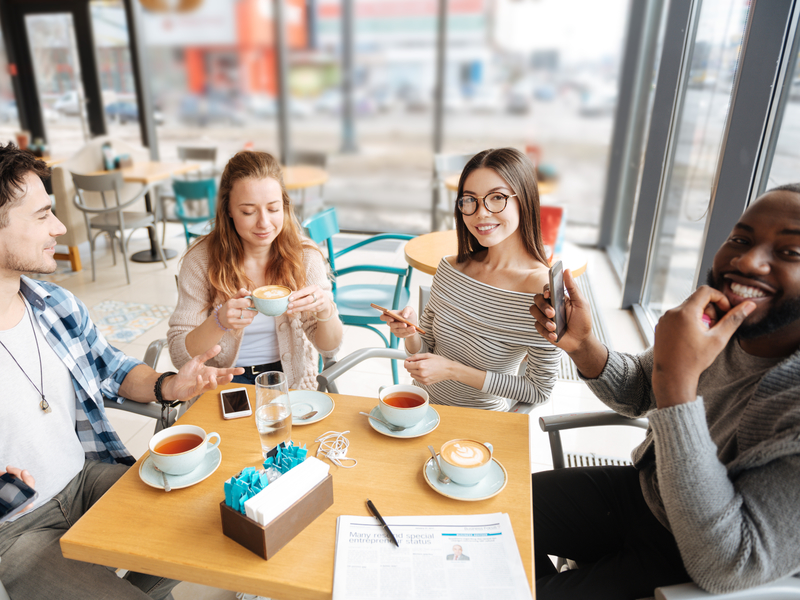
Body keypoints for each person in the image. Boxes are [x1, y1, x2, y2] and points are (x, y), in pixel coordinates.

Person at [529, 184, 800, 599]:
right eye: (740, 239)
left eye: (790, 252)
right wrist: (583, 346)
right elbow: (639, 390)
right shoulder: (715, 323)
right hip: (645, 493)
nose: (746, 260)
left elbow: (729, 563)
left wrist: (677, 386)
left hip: (692, 554)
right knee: (490, 514)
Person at [0, 143, 243, 599]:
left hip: (85, 479)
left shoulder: (54, 304)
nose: (59, 227)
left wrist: (172, 384)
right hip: (13, 530)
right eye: (41, 216)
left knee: (223, 522)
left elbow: (112, 369)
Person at [382, 147, 561, 411]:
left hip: (479, 424)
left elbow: (538, 390)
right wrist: (410, 332)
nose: (481, 213)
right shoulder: (450, 268)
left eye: (496, 198)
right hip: (421, 409)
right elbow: (424, 350)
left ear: (524, 199)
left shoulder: (541, 292)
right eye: (470, 200)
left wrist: (453, 371)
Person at [167, 150, 342, 388]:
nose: (264, 223)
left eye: (273, 209)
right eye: (248, 211)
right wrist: (218, 321)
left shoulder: (304, 256)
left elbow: (329, 347)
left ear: (285, 206)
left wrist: (324, 308)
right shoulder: (201, 260)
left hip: (292, 382)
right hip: (221, 385)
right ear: (228, 210)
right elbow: (180, 357)